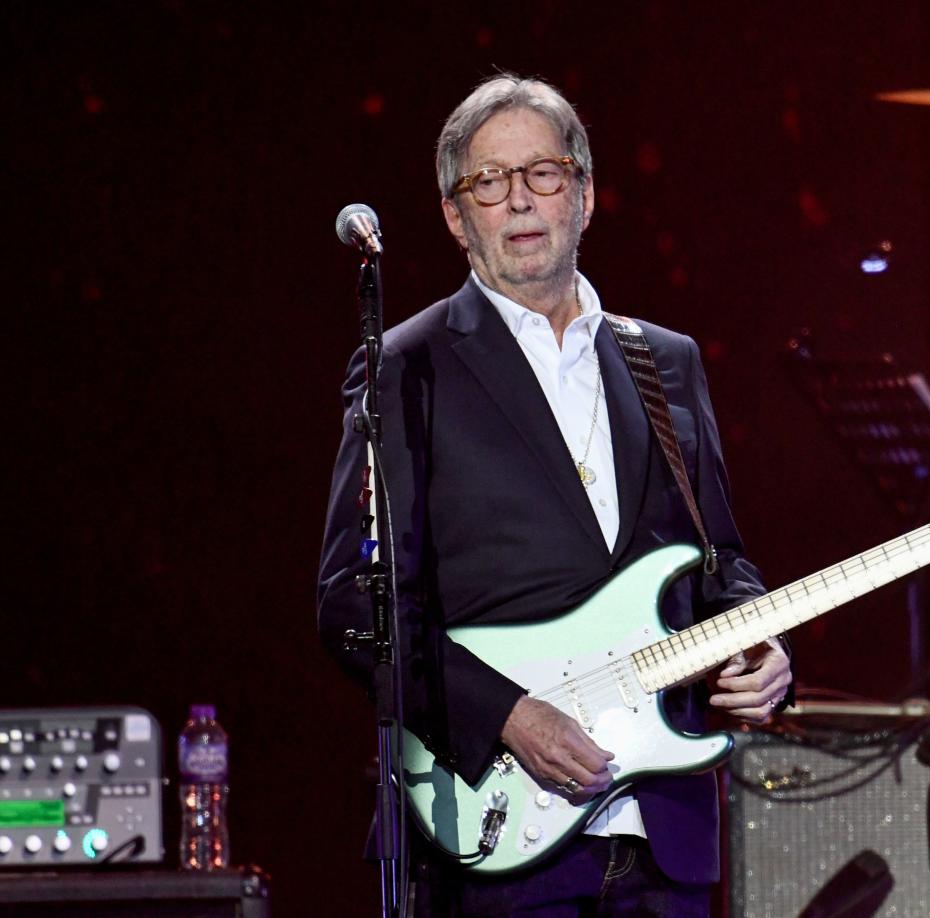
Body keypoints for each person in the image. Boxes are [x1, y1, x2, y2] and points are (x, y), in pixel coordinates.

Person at [317, 73, 792, 917]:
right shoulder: (407, 366)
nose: (520, 201)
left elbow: (722, 561)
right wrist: (505, 714)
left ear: (585, 194)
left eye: (543, 173)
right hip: (498, 836)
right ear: (457, 217)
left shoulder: (665, 361)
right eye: (489, 182)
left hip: (666, 833)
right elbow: (355, 604)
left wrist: (759, 650)